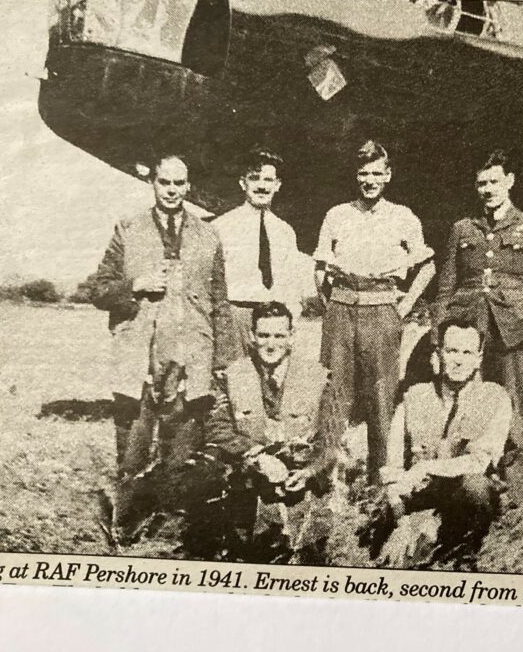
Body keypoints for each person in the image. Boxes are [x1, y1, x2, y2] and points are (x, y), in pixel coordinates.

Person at [90, 154, 231, 541]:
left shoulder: (209, 235)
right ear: (152, 183)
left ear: (189, 186)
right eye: (164, 182)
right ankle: (127, 523)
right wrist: (136, 285)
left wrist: (222, 363)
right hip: (140, 356)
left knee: (182, 448)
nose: (172, 190)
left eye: (179, 183)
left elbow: (219, 301)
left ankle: (171, 528)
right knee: (134, 445)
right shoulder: (128, 228)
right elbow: (99, 289)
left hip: (190, 357)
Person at [434, 149, 523, 504]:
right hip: (465, 331)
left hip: (509, 333)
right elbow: (445, 286)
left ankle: (513, 491)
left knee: (510, 405)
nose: (487, 189)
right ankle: (462, 484)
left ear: (510, 182)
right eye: (481, 183)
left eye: (494, 181)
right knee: (462, 402)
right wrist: (438, 337)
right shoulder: (463, 228)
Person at [313, 140, 435, 486]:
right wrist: (332, 305)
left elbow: (427, 267)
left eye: (376, 174)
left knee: (382, 397)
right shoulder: (337, 214)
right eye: (364, 174)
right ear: (356, 175)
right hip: (341, 308)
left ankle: (380, 482)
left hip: (382, 310)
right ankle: (326, 480)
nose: (369, 180)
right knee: (335, 394)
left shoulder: (403, 216)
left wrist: (404, 307)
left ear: (388, 175)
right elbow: (320, 268)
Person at [184, 301, 343, 563]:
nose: (271, 344)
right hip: (250, 482)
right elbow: (216, 428)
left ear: (292, 337)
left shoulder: (319, 377)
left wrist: (308, 472)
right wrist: (256, 456)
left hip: (301, 483)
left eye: (279, 336)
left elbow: (331, 439)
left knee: (304, 554)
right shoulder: (232, 376)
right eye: (264, 335)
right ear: (251, 336)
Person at [374, 320, 511, 568]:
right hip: (421, 495)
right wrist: (401, 520)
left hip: (464, 495)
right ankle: (426, 536)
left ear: (479, 359)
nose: (459, 360)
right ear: (439, 355)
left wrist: (425, 468)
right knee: (394, 562)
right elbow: (392, 468)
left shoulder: (496, 398)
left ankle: (463, 550)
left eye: (467, 352)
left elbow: (479, 462)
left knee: (476, 486)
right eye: (452, 351)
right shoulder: (414, 396)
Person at [214, 149, 304, 363]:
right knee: (234, 380)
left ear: (277, 185)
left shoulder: (285, 231)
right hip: (236, 316)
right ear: (242, 183)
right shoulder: (221, 227)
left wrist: (289, 322)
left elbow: (292, 283)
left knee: (271, 385)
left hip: (273, 320)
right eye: (254, 179)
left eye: (268, 179)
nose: (262, 186)